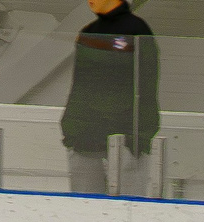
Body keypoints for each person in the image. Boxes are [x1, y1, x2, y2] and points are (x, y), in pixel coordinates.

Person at [60, 0, 160, 196]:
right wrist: (72, 127)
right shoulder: (89, 32)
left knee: (127, 209)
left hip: (127, 141)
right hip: (87, 138)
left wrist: (140, 136)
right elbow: (80, 86)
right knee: (86, 208)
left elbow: (146, 87)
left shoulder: (137, 32)